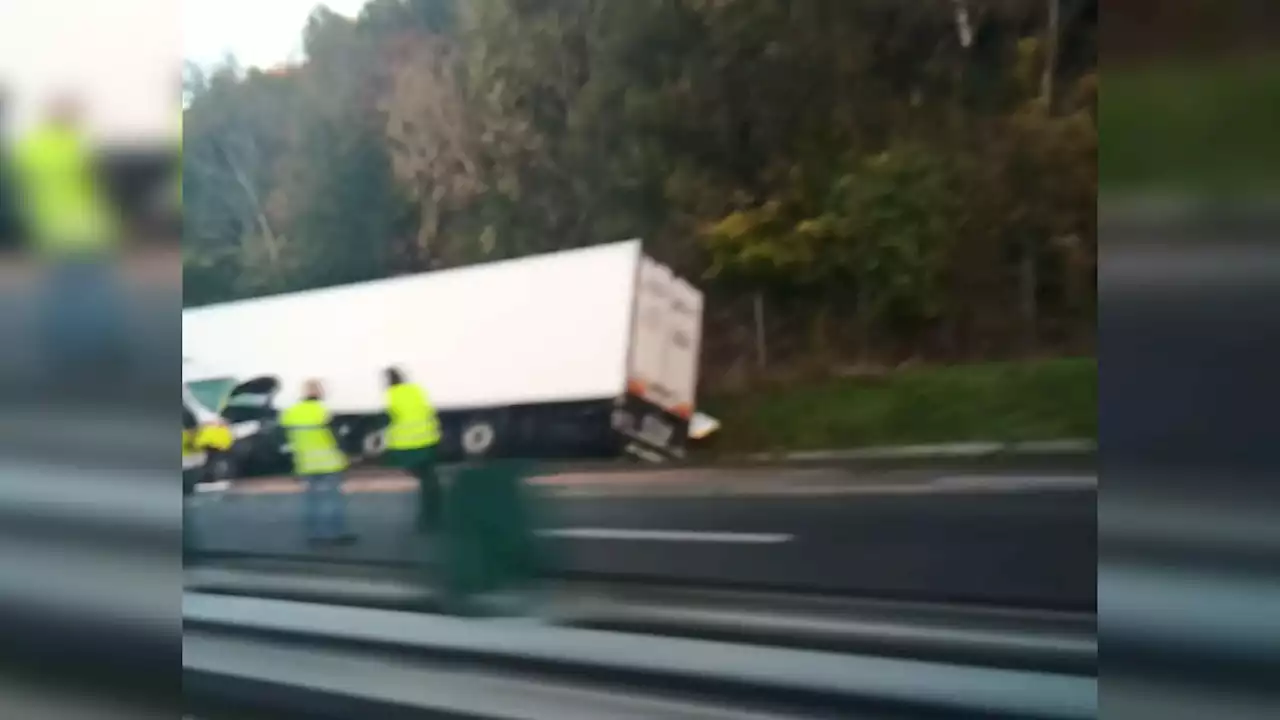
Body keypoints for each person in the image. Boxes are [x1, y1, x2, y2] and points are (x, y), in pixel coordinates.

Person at [11, 93, 124, 392]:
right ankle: (101, 356)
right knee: (95, 298)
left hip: (50, 233)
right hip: (87, 231)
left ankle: (62, 359)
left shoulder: (31, 148)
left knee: (61, 299)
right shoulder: (78, 145)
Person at [280, 379, 357, 545]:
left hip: (305, 464)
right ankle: (336, 534)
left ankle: (315, 535)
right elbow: (336, 437)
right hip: (328, 462)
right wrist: (348, 455)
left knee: (311, 500)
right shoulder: (322, 411)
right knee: (333, 499)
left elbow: (284, 439)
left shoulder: (291, 413)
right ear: (318, 392)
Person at [380, 366, 442, 534]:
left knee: (424, 480)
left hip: (407, 445)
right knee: (430, 480)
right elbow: (428, 410)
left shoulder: (391, 396)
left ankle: (429, 519)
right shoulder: (416, 390)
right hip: (427, 440)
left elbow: (391, 418)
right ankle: (434, 516)